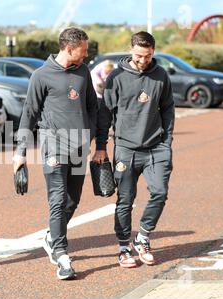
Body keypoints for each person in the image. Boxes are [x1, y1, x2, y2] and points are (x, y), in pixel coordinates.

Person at [13, 27, 98, 280]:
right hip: (54, 146)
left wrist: (90, 134)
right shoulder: (41, 75)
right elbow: (29, 113)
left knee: (72, 200)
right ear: (69, 48)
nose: (86, 55)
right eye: (82, 51)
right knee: (58, 199)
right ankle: (62, 256)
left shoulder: (83, 72)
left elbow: (93, 106)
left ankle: (51, 237)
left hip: (79, 146)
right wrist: (20, 152)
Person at [93, 31, 175, 268]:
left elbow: (168, 108)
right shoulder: (116, 77)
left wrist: (166, 142)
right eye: (139, 55)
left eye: (148, 56)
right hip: (126, 149)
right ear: (131, 50)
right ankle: (123, 247)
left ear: (153, 52)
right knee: (125, 200)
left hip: (156, 148)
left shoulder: (160, 75)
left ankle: (143, 237)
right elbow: (105, 114)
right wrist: (101, 147)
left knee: (159, 192)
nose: (143, 60)